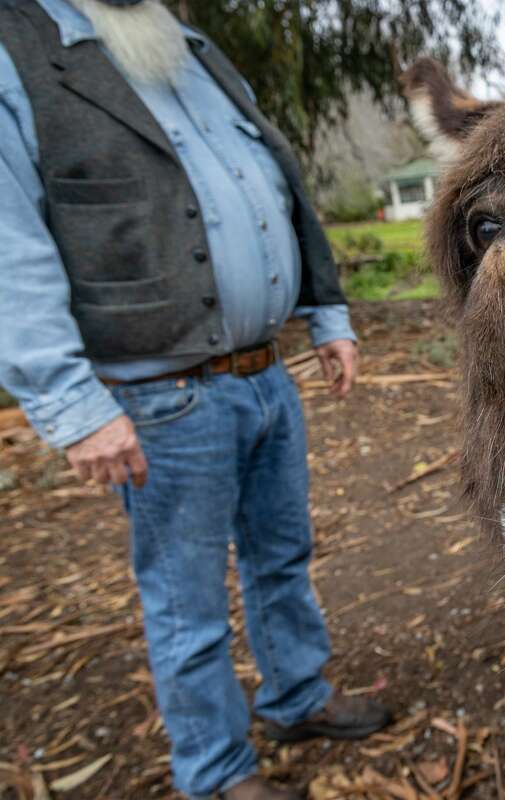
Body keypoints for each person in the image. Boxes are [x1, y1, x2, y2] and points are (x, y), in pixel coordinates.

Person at [0, 1, 392, 797]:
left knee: (283, 556)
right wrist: (74, 408)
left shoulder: (192, 49)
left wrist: (326, 312)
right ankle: (215, 773)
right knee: (188, 603)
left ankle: (296, 697)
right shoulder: (18, 51)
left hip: (265, 376)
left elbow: (277, 186)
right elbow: (11, 247)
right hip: (159, 397)